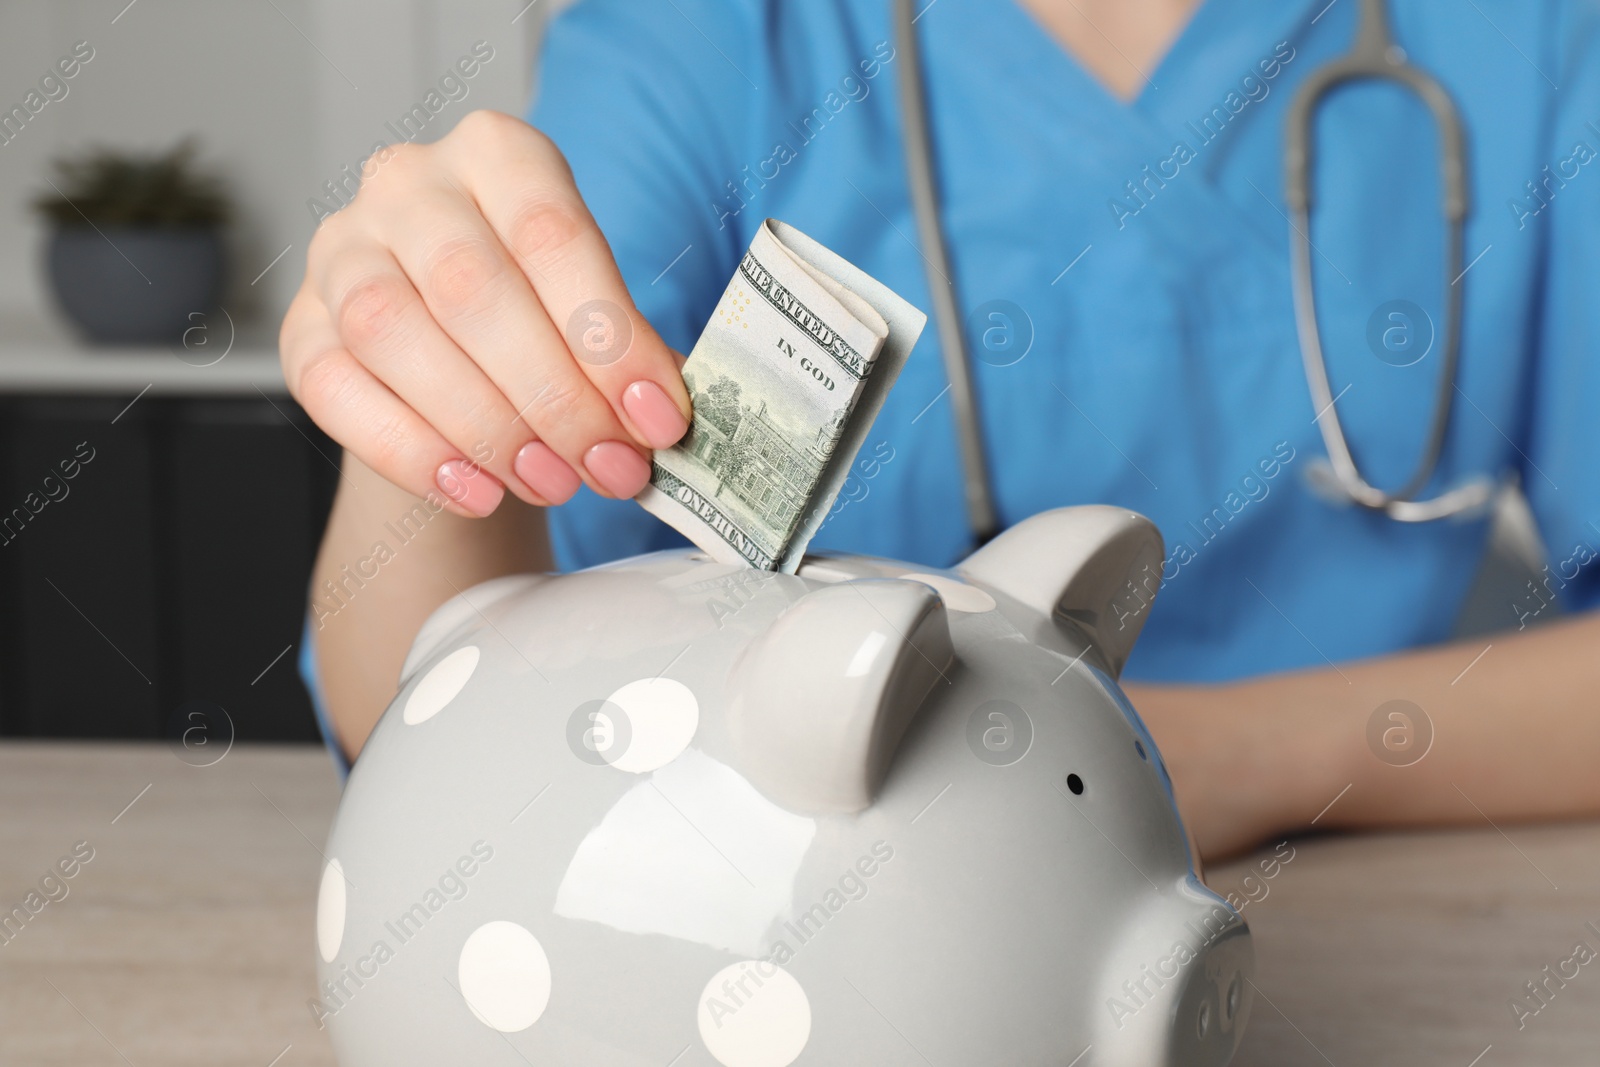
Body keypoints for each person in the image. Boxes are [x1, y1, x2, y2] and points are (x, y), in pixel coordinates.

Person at [282, 0, 1600, 861]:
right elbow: (427, 706)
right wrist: (433, 380)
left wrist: (1220, 757)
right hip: (788, 903)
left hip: (1343, 890)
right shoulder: (700, 38)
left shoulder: (1534, 35)